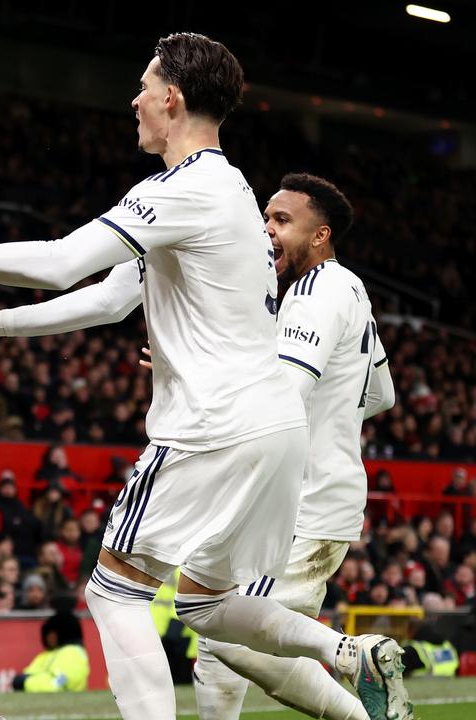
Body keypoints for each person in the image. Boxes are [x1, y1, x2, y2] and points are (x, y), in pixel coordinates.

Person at [0, 32, 412, 720]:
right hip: (276, 430)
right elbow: (112, 297)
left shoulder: (184, 188)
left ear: (172, 98)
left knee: (114, 593)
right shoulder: (229, 192)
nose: (135, 98)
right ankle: (348, 654)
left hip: (214, 425)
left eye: (145, 86)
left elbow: (62, 260)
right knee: (208, 604)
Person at [192, 174, 396, 720]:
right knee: (217, 643)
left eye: (282, 221)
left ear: (321, 234)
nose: (267, 230)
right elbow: (382, 393)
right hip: (322, 492)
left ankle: (358, 668)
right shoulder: (350, 288)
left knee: (227, 633)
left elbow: (282, 395)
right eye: (265, 218)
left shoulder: (312, 291)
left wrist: (199, 378)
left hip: (298, 503)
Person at [12, 611, 90, 693]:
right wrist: (22, 681)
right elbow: (27, 674)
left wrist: (24, 683)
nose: (48, 637)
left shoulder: (72, 653)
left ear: (63, 633)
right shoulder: (47, 654)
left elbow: (54, 685)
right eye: (47, 633)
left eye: (52, 633)